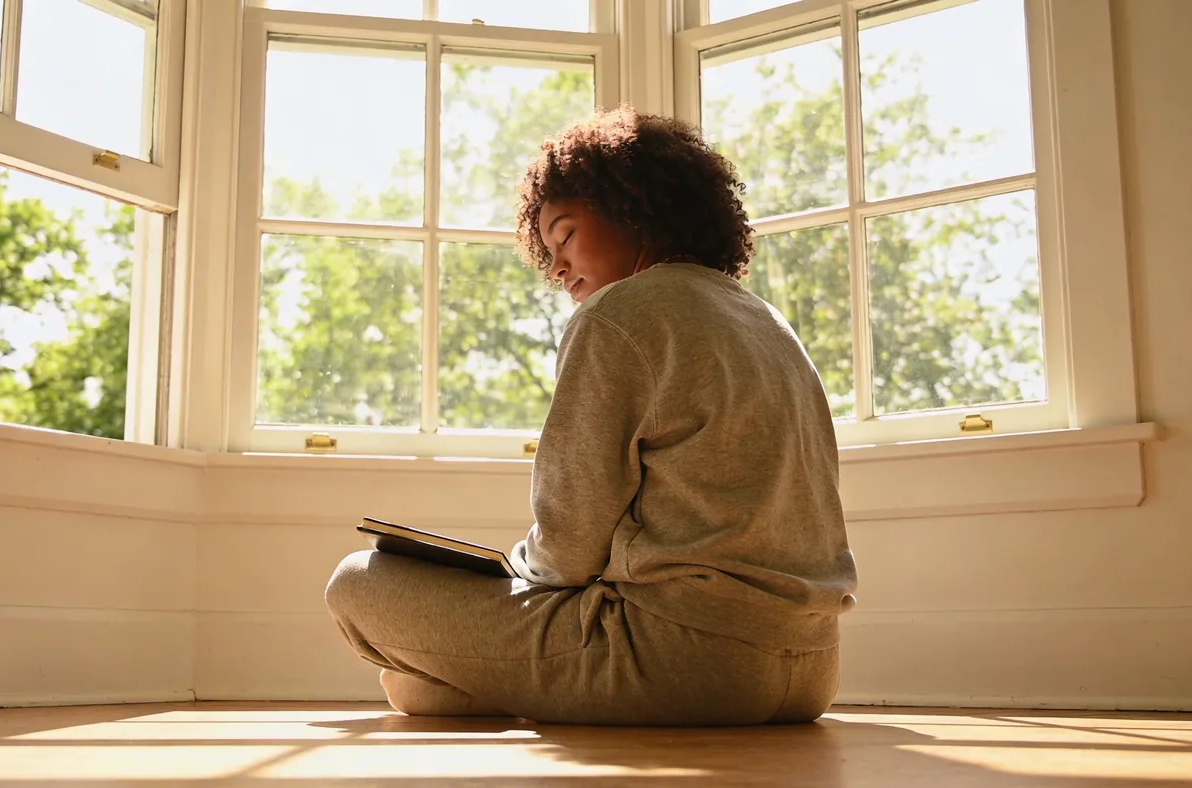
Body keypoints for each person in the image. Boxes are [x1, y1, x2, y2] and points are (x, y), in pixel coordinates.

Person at [324, 107, 858, 726]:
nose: (556, 268)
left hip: (680, 658)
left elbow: (568, 548)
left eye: (566, 234)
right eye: (547, 250)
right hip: (811, 668)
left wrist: (510, 575)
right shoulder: (766, 320)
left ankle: (512, 682)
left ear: (634, 207)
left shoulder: (619, 315)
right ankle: (503, 686)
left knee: (359, 579)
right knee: (418, 688)